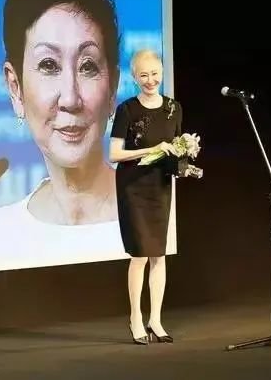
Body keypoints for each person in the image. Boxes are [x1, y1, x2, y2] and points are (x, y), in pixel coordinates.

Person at [0, 0, 125, 263]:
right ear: (15, 88)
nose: (70, 98)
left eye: (88, 66)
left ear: (113, 88)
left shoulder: (160, 214)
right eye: (49, 65)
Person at [109, 49, 182, 345]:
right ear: (134, 77)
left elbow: (174, 150)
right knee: (139, 255)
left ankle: (156, 319)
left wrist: (184, 164)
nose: (150, 80)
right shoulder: (127, 110)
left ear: (162, 72)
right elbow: (114, 154)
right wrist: (153, 149)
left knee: (158, 255)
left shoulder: (174, 108)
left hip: (160, 187)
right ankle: (136, 317)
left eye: (155, 74)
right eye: (144, 75)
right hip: (133, 188)